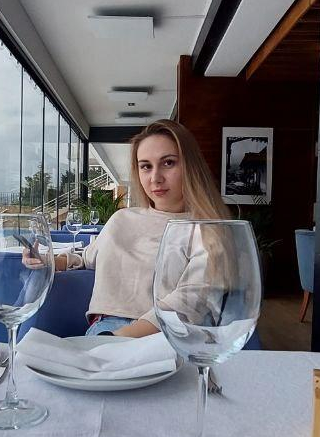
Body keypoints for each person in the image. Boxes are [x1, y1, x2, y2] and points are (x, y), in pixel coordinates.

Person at [51, 119, 229, 337]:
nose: (156, 178)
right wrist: (51, 261)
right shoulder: (122, 218)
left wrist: (121, 338)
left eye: (168, 163)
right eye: (146, 166)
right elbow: (88, 258)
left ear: (191, 166)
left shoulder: (207, 230)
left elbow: (192, 298)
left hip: (169, 335)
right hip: (107, 328)